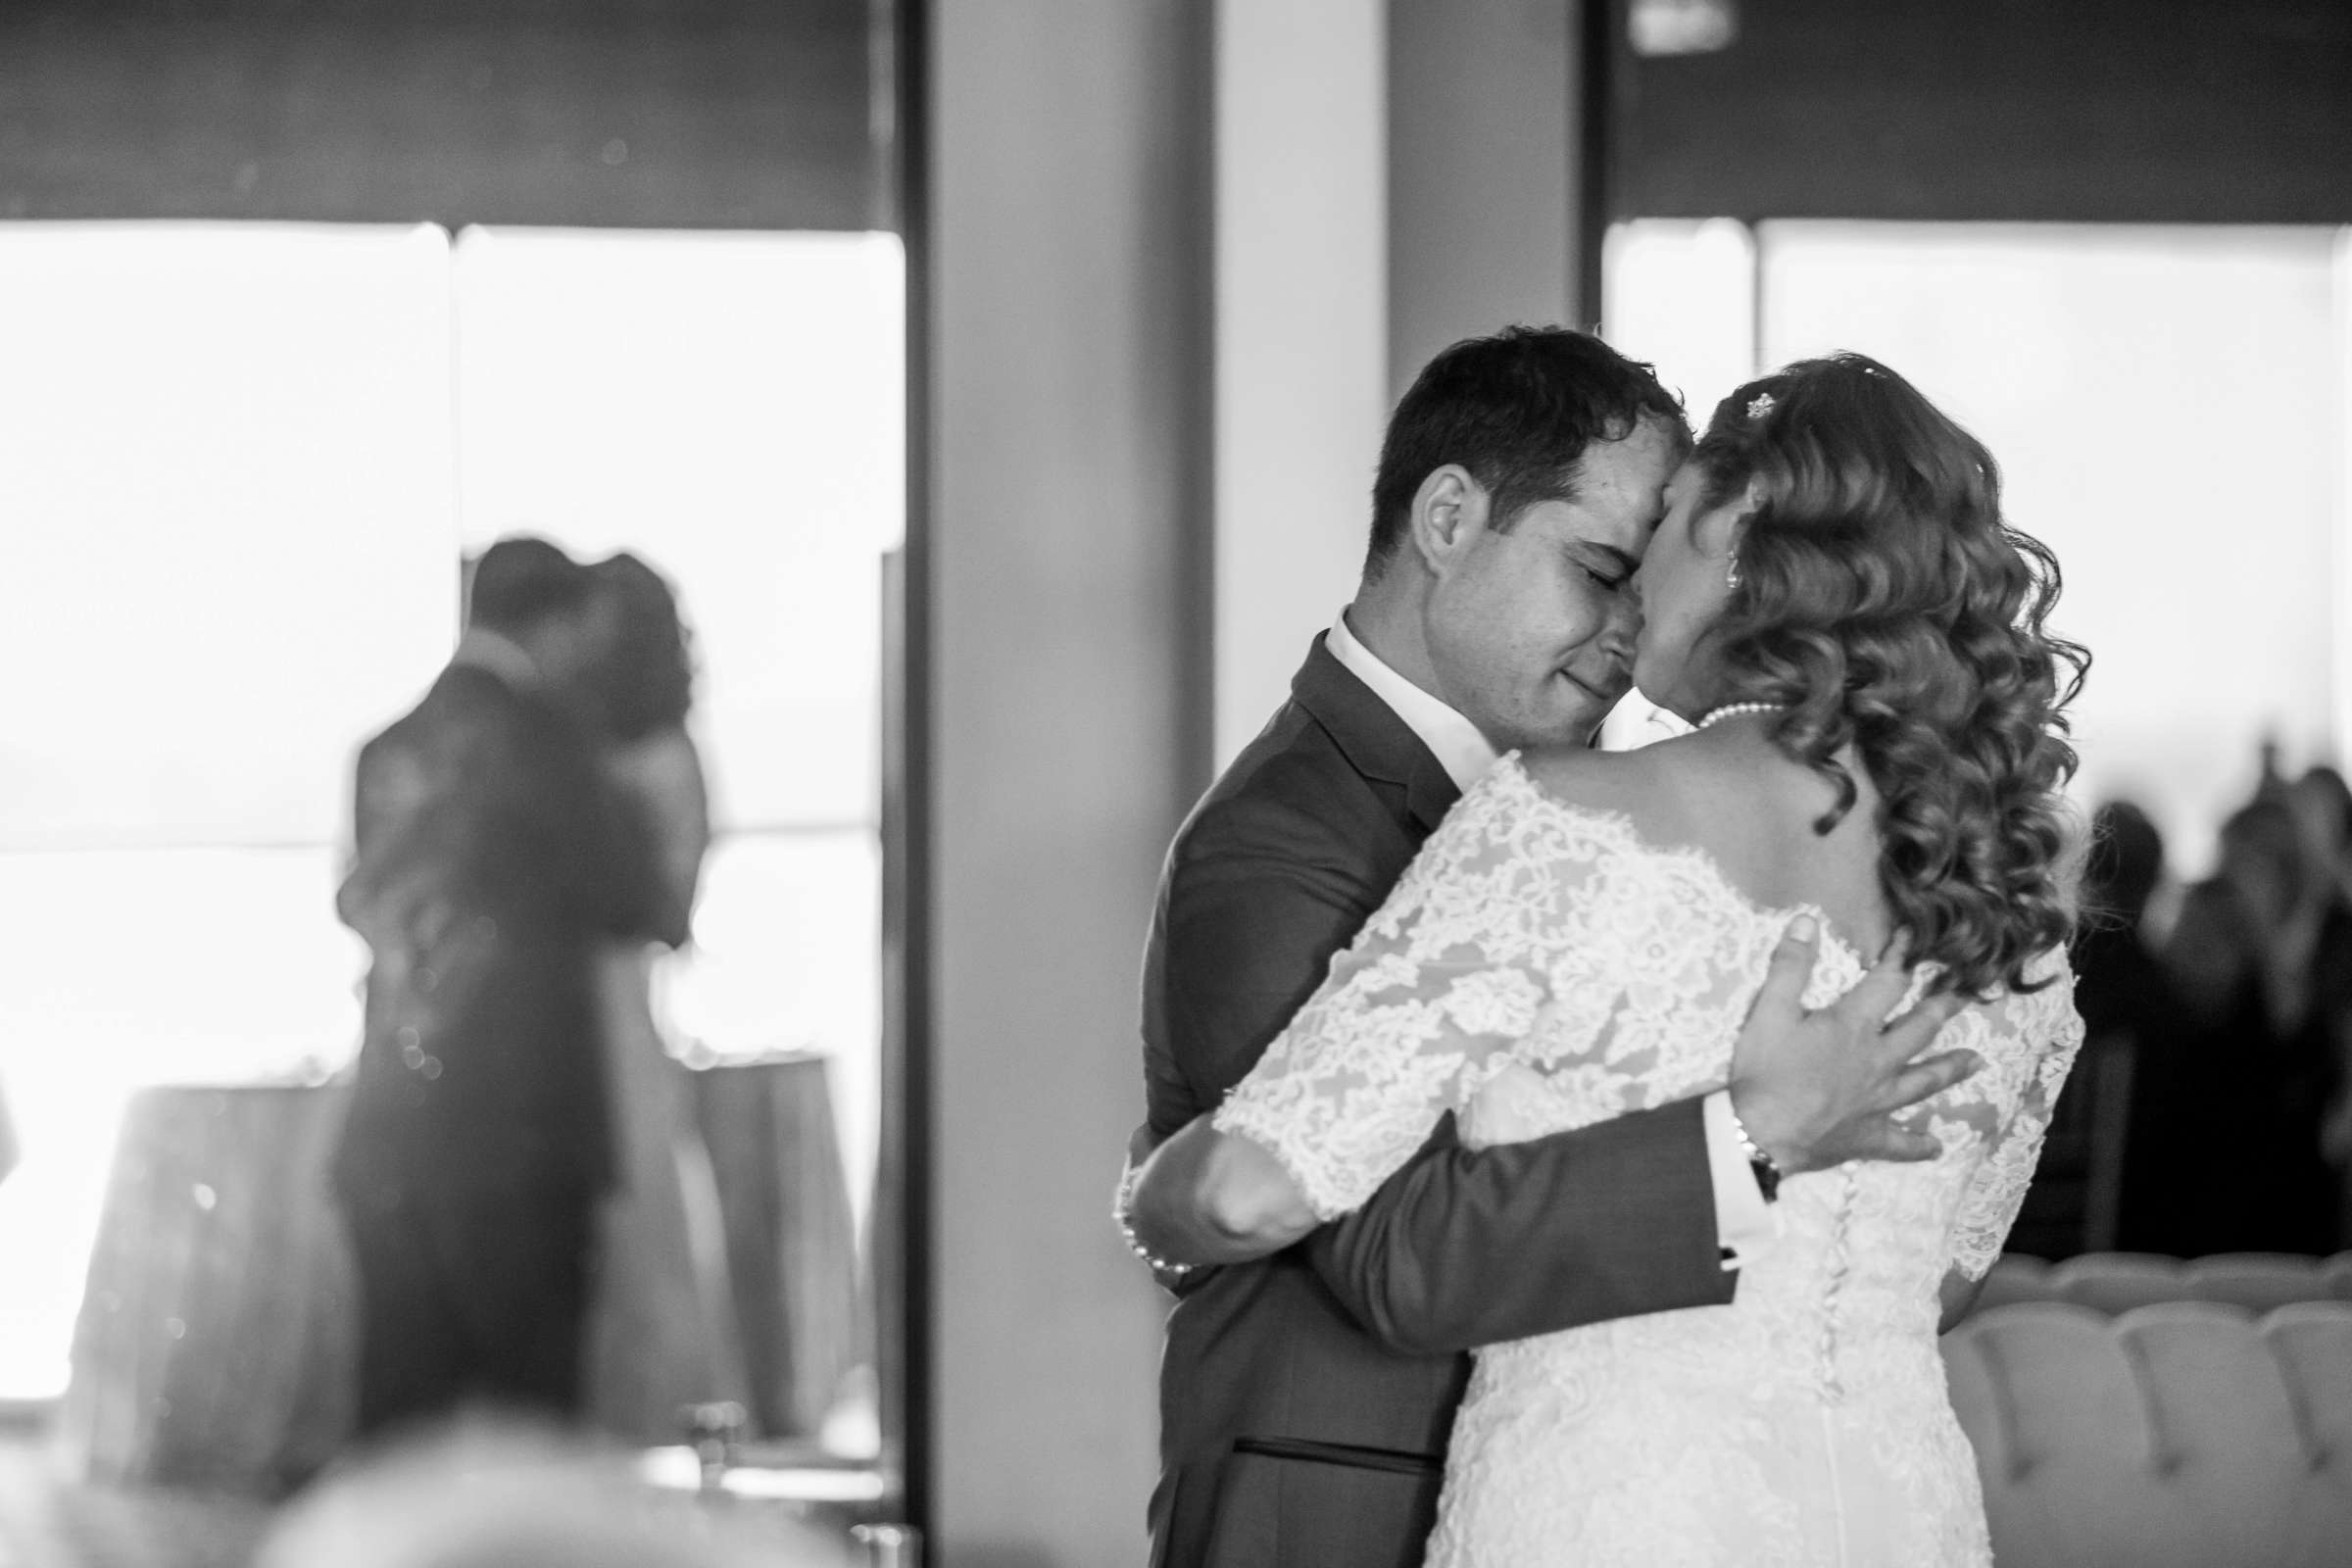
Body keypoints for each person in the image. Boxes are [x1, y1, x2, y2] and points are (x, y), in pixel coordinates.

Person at [1133, 353, 2087, 1564]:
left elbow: (1282, 1210)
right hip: (1883, 1500)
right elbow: (1929, 1279)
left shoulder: (1570, 811)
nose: (1630, 608)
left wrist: (1151, 1195)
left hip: (1614, 1496)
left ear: (1745, 531)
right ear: (1445, 521)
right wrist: (1755, 1166)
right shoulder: (1996, 880)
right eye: (1601, 568)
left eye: (1643, 558)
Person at [331, 536, 686, 1441]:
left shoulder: (384, 749)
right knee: (531, 1429)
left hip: (391, 1129)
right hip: (522, 1138)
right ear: (557, 625)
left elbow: (361, 903)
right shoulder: (556, 748)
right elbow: (632, 901)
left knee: (399, 1427)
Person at [576, 550, 756, 1441]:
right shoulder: (584, 742)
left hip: (616, 995)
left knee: (635, 1210)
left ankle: (643, 1418)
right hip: (606, 992)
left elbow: (672, 906)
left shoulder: (657, 756)